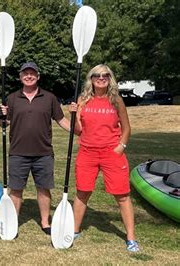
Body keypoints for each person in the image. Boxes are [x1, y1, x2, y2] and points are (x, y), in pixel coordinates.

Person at [0, 62, 78, 235]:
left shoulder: (49, 98)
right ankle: (13, 222)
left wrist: (79, 131)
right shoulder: (11, 98)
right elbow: (4, 124)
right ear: (20, 77)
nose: (29, 76)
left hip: (43, 153)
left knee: (43, 188)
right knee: (16, 189)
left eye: (32, 73)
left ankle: (45, 222)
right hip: (18, 152)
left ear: (38, 76)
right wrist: (1, 116)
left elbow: (61, 120)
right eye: (25, 73)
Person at [72, 64, 139, 252]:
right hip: (87, 152)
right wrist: (73, 114)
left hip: (112, 152)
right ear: (91, 79)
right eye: (96, 75)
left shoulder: (116, 100)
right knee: (83, 191)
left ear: (110, 78)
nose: (101, 78)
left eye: (105, 75)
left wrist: (121, 147)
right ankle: (75, 230)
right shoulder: (83, 99)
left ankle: (131, 238)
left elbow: (126, 128)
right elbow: (77, 131)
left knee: (122, 195)